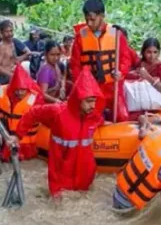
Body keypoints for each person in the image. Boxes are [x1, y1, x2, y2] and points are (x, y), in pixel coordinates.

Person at [9, 66, 105, 197]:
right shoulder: (58, 112)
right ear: (78, 99)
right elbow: (33, 113)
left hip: (84, 175)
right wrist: (17, 136)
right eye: (88, 102)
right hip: (61, 176)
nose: (92, 106)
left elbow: (102, 121)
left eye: (94, 101)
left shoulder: (93, 116)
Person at [70, 0, 132, 122]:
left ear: (102, 16)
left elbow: (126, 58)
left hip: (113, 86)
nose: (89, 23)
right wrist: (82, 87)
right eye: (87, 19)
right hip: (92, 88)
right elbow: (75, 65)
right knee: (92, 119)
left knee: (122, 117)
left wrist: (121, 73)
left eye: (92, 19)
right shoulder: (80, 36)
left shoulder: (116, 34)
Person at [0, 64, 44, 161]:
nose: (20, 93)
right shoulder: (3, 92)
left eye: (22, 90)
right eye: (17, 90)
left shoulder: (36, 99)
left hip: (26, 144)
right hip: (6, 140)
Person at [0, 20, 31, 84]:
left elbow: (14, 60)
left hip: (11, 76)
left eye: (11, 31)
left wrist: (27, 55)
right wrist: (10, 74)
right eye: (7, 31)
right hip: (2, 79)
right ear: (1, 32)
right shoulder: (1, 47)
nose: (10, 34)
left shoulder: (12, 44)